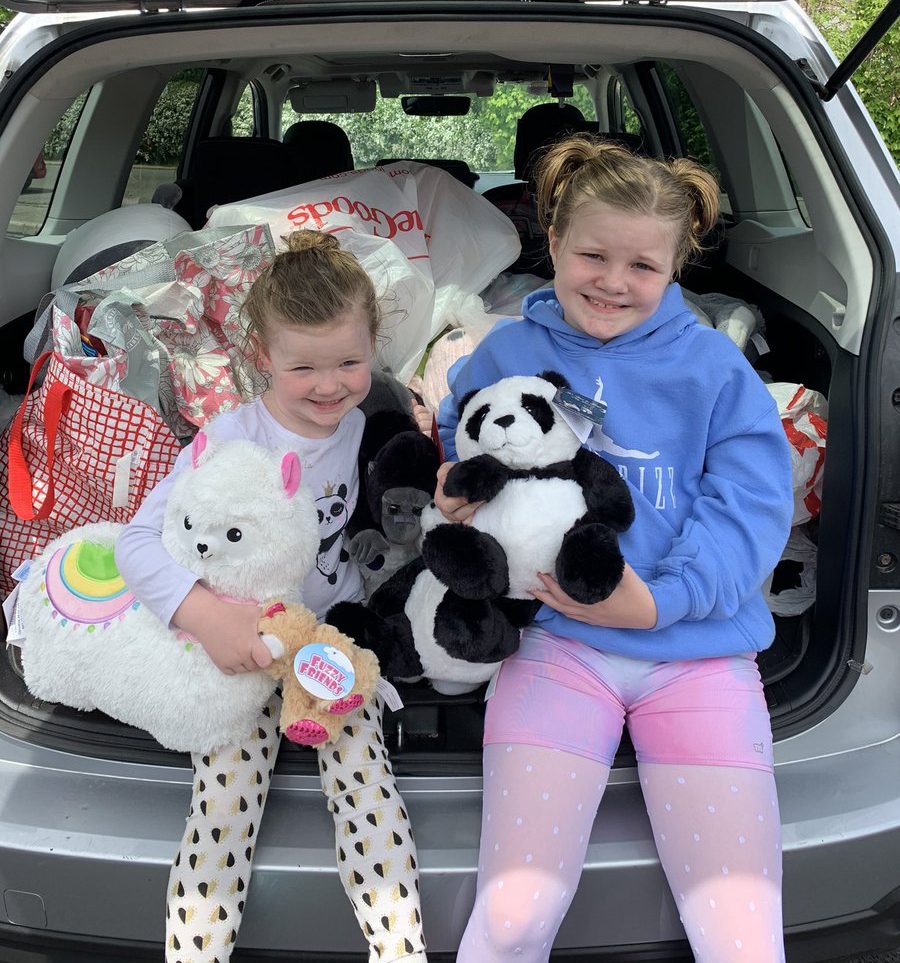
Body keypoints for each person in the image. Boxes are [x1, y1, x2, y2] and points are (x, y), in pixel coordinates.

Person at [436, 137, 793, 963]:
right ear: (553, 242)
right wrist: (456, 479)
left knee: (741, 938)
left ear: (677, 267)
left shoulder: (712, 367)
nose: (612, 281)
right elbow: (460, 430)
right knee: (515, 916)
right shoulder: (507, 350)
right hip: (558, 646)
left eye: (643, 266)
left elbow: (750, 502)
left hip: (697, 657)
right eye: (592, 254)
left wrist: (663, 601)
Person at [116, 230, 428, 963]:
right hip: (238, 650)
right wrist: (205, 617)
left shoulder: (370, 428)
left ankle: (401, 949)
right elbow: (135, 542)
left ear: (373, 344)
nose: (330, 385)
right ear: (261, 358)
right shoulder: (227, 440)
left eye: (349, 362)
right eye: (304, 367)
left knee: (369, 786)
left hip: (326, 645)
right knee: (223, 805)